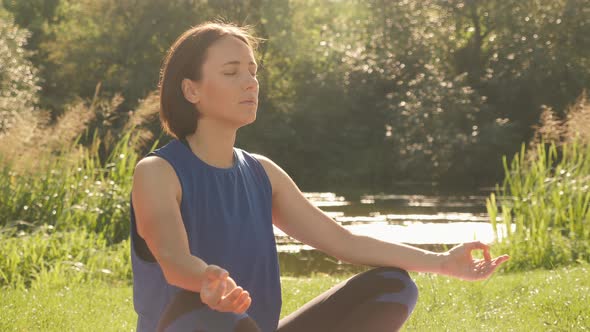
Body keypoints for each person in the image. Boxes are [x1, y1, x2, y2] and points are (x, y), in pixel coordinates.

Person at [129, 22, 510, 332]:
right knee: (216, 316)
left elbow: (342, 240)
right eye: (231, 72)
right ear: (190, 89)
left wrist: (442, 262)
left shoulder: (261, 172)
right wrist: (206, 281)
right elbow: (172, 258)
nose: (250, 82)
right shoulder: (158, 172)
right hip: (186, 325)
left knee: (393, 287)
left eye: (252, 71)